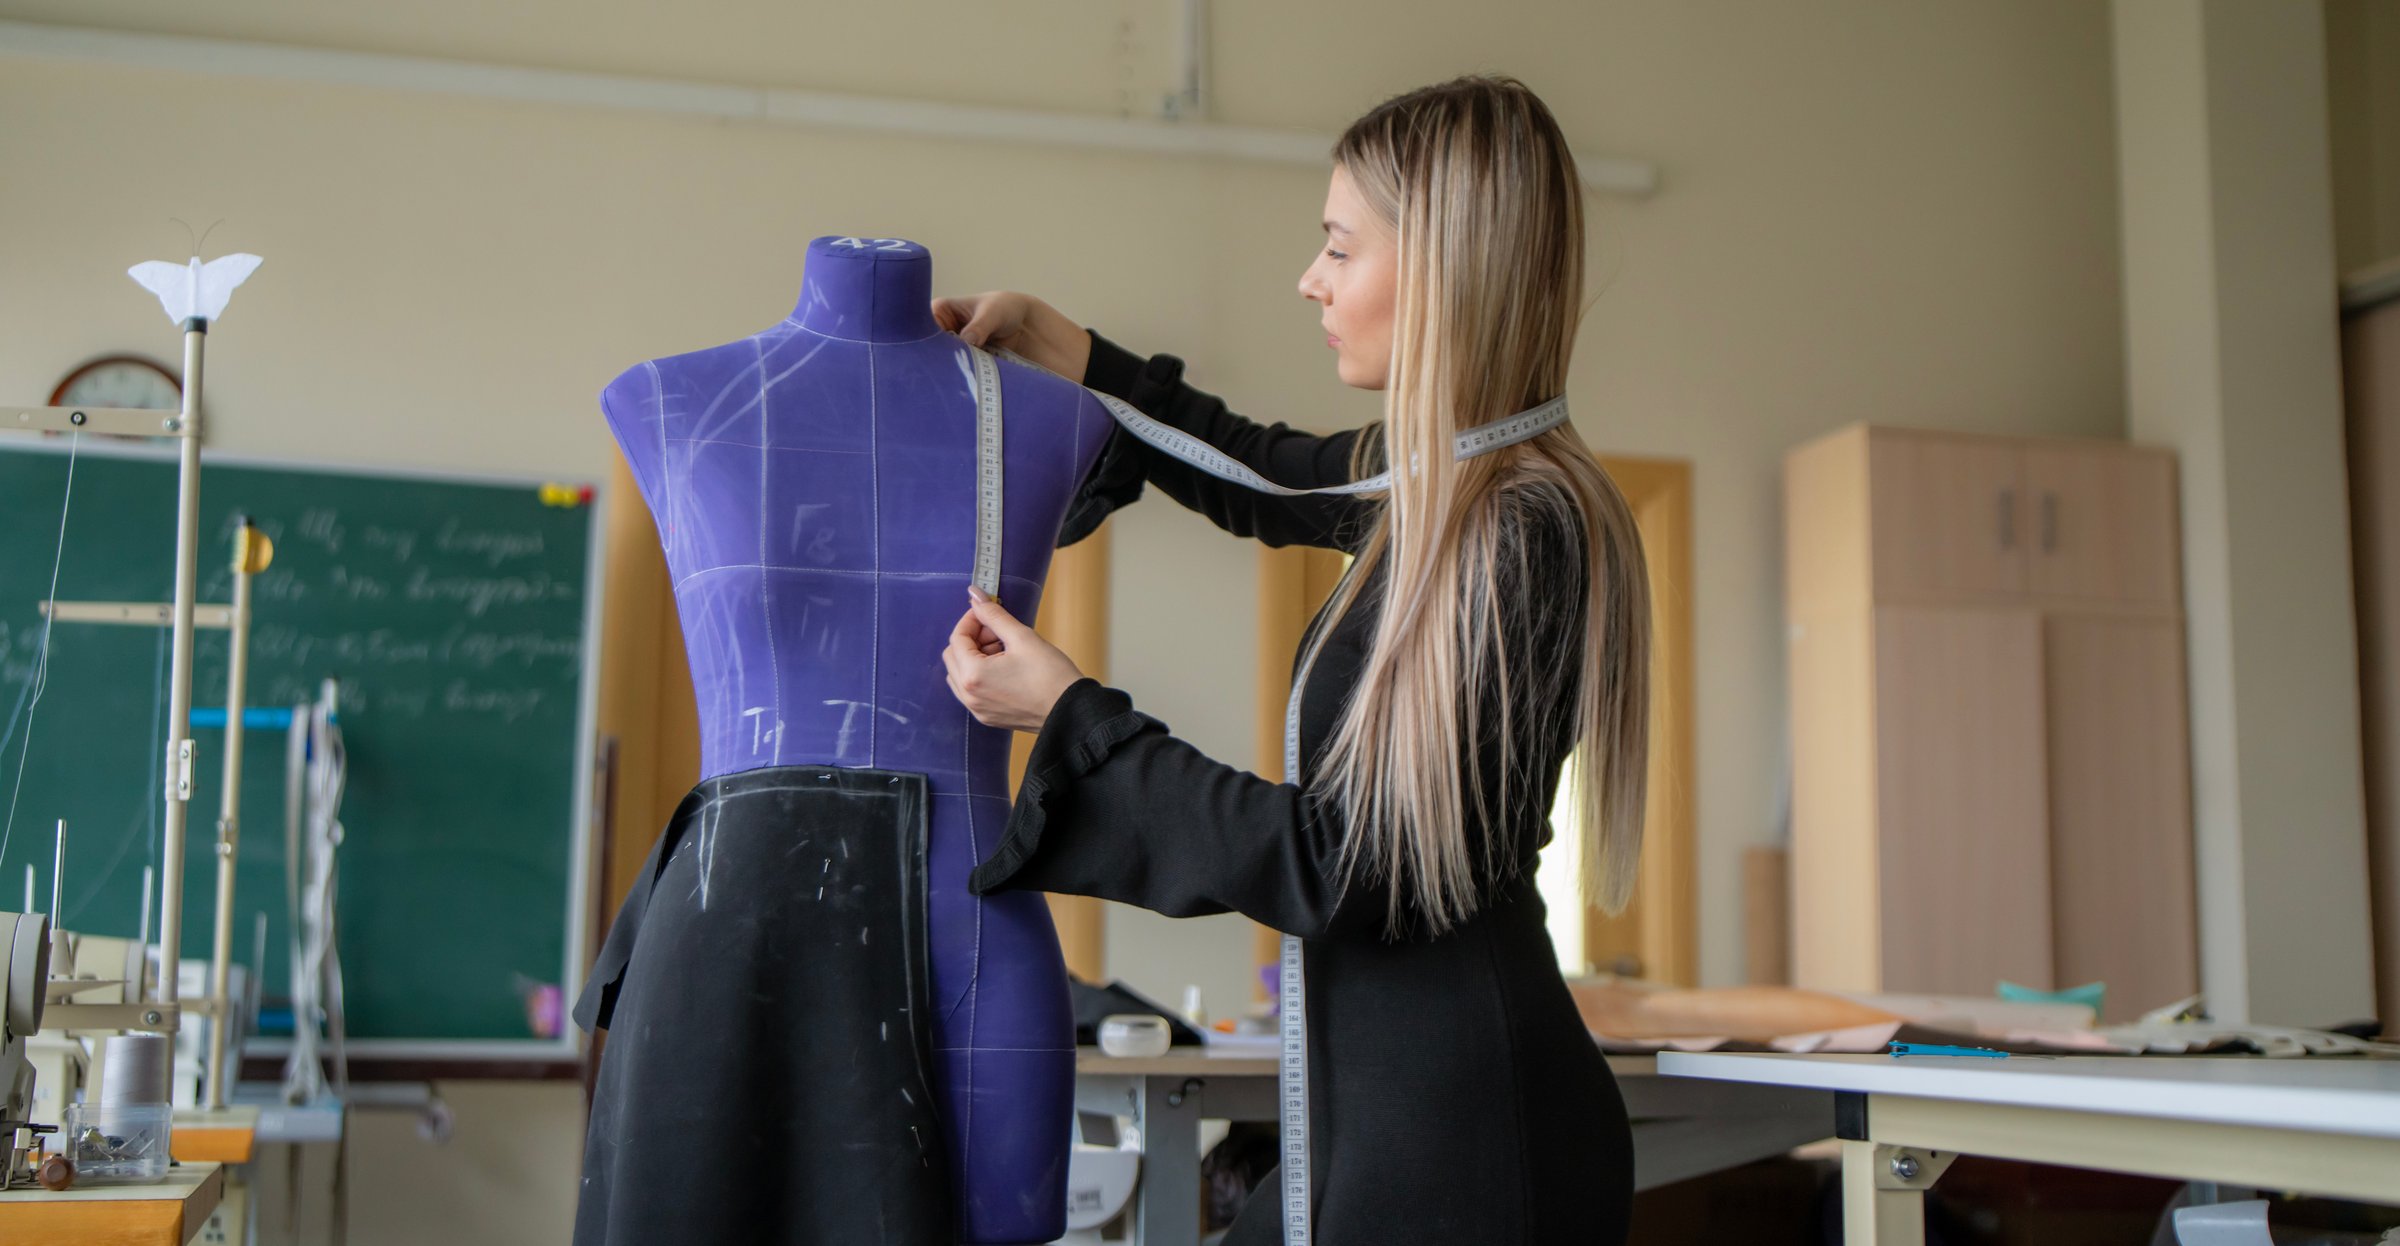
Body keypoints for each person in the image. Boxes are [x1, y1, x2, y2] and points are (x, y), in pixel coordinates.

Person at [935, 74, 1650, 1245]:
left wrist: (1072, 714)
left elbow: (1345, 863)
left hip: (1470, 1148)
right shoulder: (1439, 488)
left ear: (1444, 271)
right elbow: (1263, 471)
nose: (1311, 279)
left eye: (1338, 247)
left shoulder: (1521, 531)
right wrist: (1061, 346)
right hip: (1389, 1119)